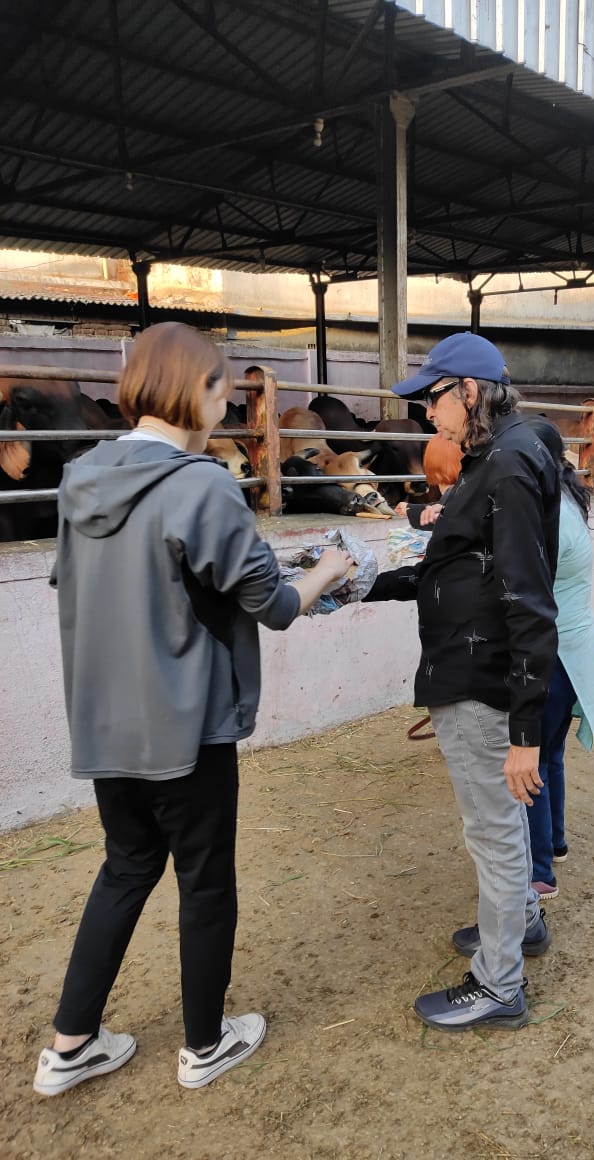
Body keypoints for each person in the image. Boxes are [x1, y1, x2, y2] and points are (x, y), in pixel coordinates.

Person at [33, 322, 352, 1097]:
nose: (226, 405)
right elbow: (273, 605)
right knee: (205, 882)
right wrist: (333, 570)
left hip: (107, 724)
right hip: (187, 725)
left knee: (125, 867)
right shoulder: (202, 483)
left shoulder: (82, 480)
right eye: (220, 390)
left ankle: (69, 1046)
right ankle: (205, 1045)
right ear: (194, 391)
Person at [364, 332, 560, 1032]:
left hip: (482, 681)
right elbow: (460, 568)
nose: (426, 416)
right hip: (474, 670)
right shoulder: (505, 455)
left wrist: (524, 732)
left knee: (496, 835)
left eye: (433, 399)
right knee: (499, 832)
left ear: (469, 392)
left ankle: (499, 983)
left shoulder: (504, 467)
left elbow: (530, 603)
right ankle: (523, 924)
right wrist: (365, 582)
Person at [522, 418, 594, 899]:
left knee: (530, 763)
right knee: (551, 755)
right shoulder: (568, 500)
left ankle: (539, 871)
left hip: (553, 650)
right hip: (575, 648)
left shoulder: (545, 516)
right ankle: (555, 841)